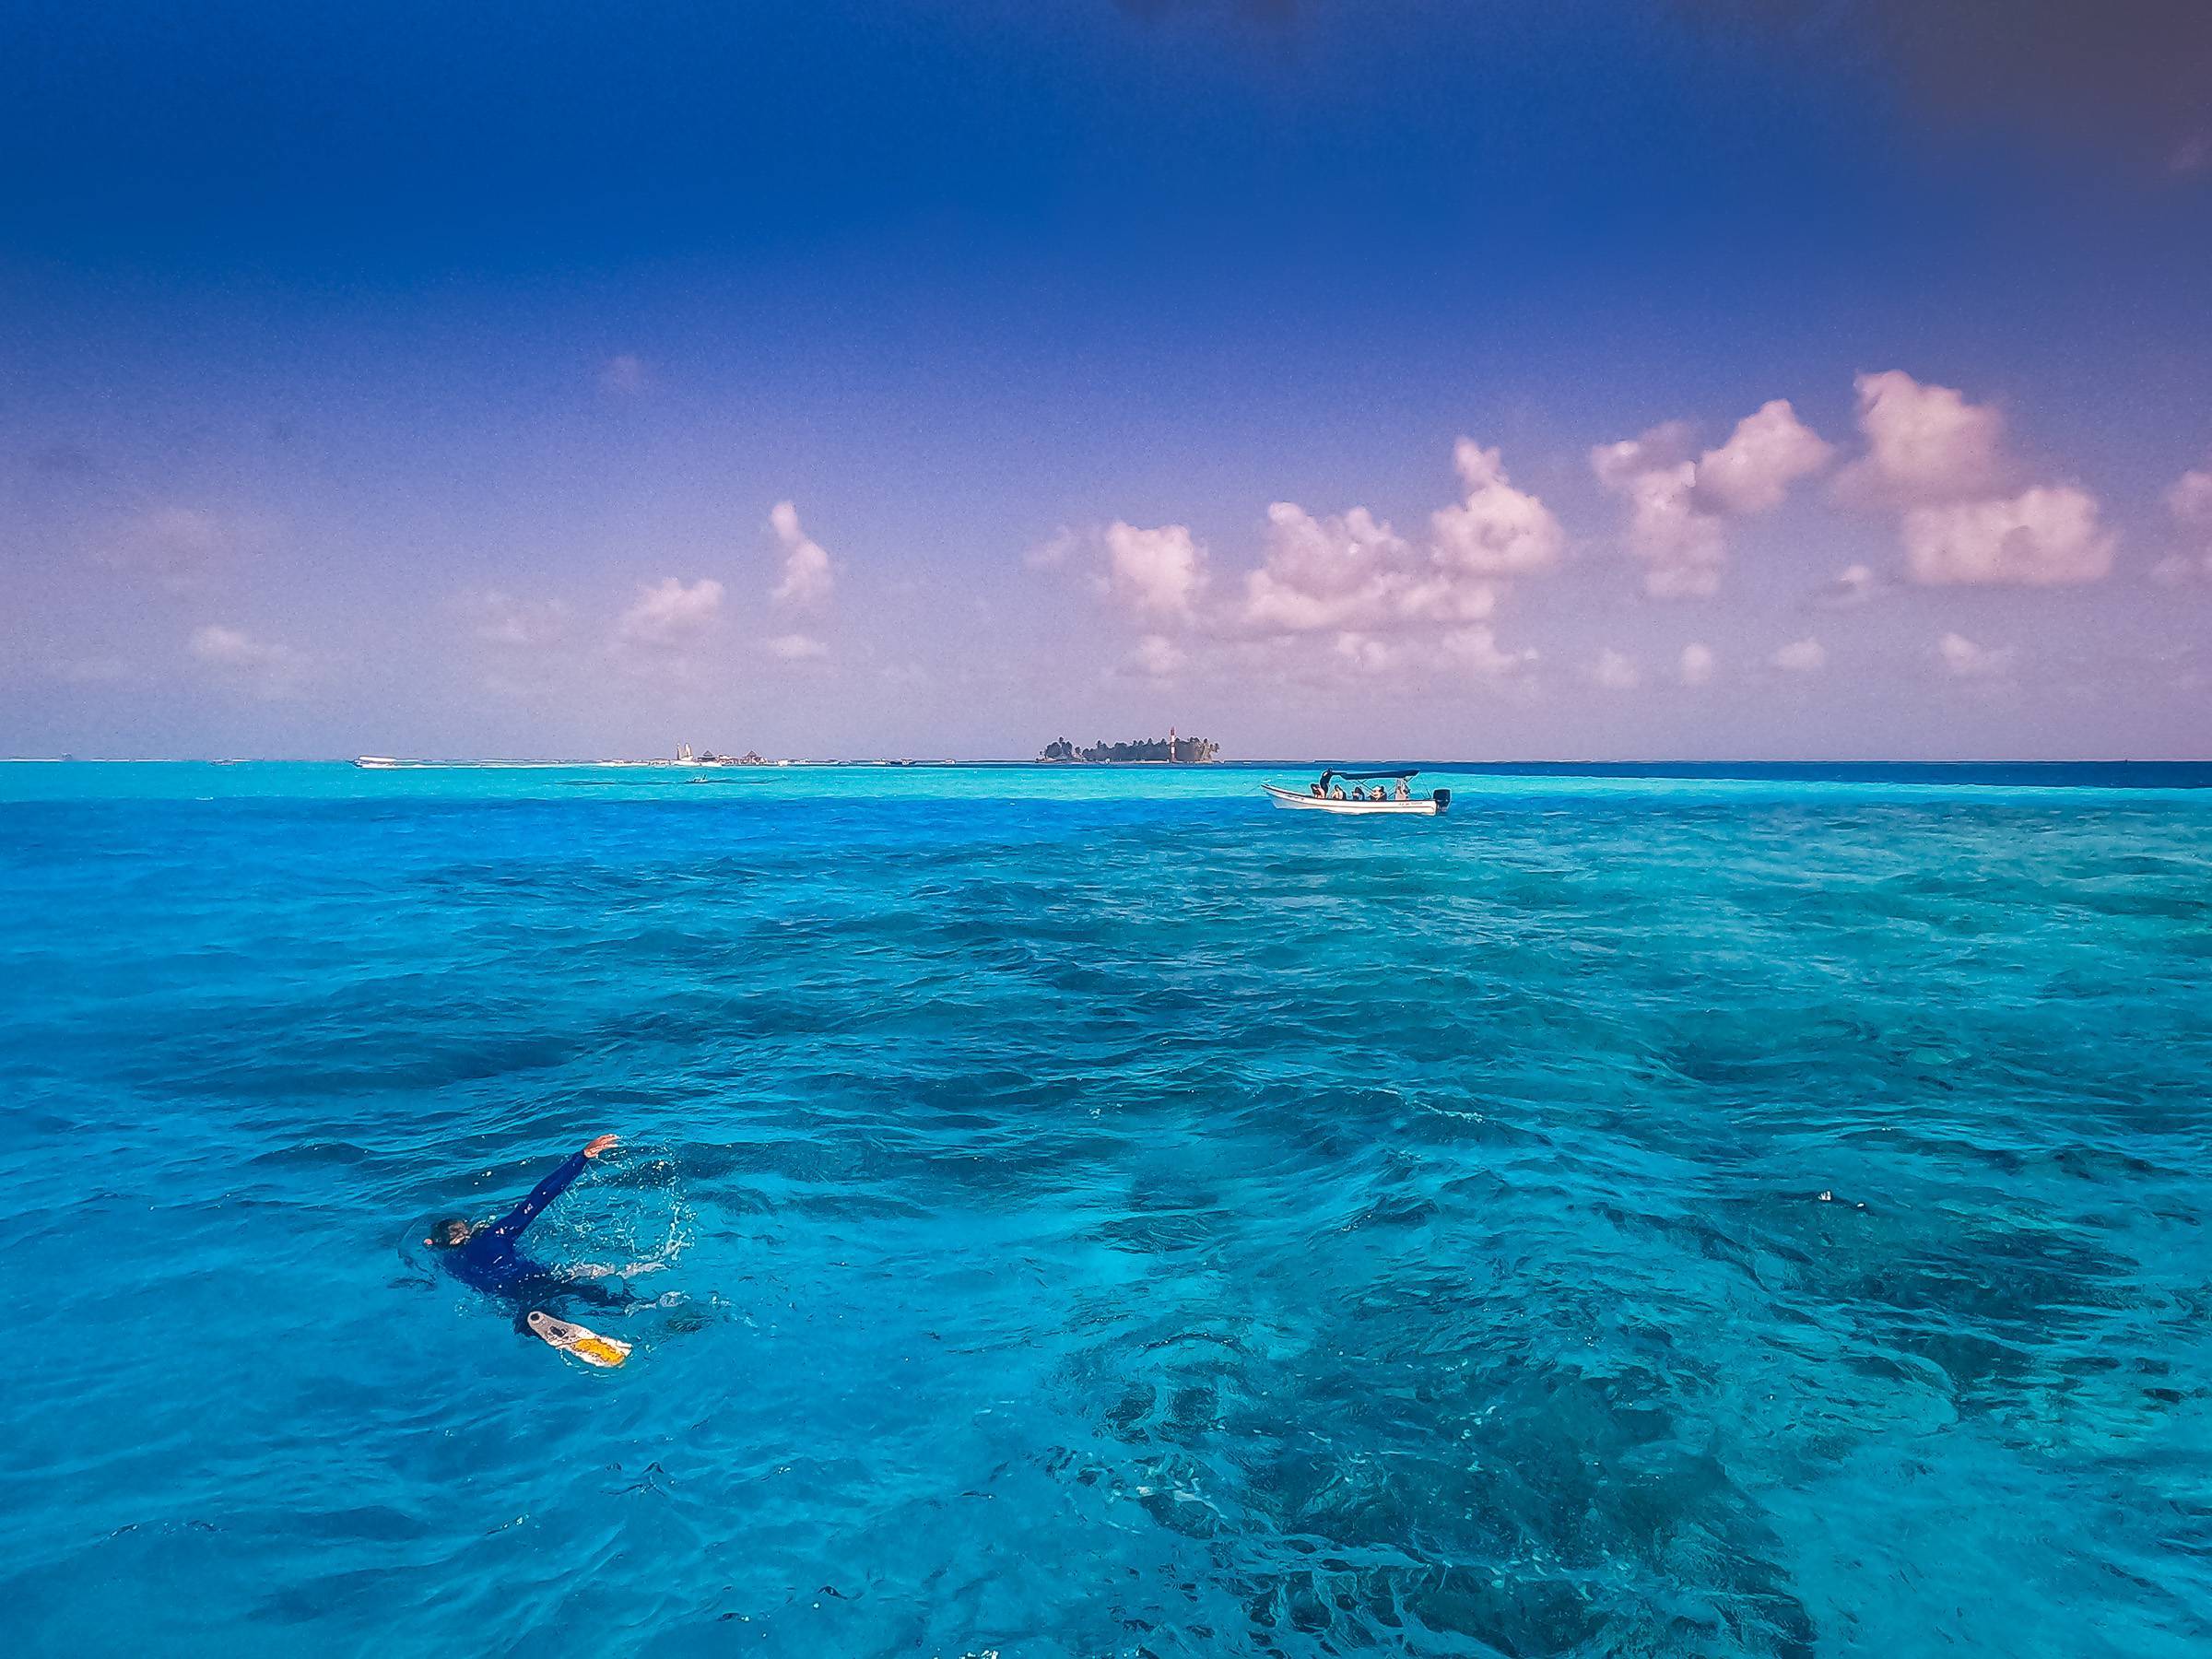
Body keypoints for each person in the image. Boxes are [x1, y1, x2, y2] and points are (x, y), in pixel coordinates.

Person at [428, 1134, 627, 1308]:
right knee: (584, 1292)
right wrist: (581, 1157)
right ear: (468, 1229)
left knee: (523, 1305)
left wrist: (433, 1244)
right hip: (535, 1280)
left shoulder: (449, 1262)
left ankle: (532, 1319)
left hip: (508, 1296)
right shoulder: (497, 1234)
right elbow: (540, 1196)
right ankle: (635, 1306)